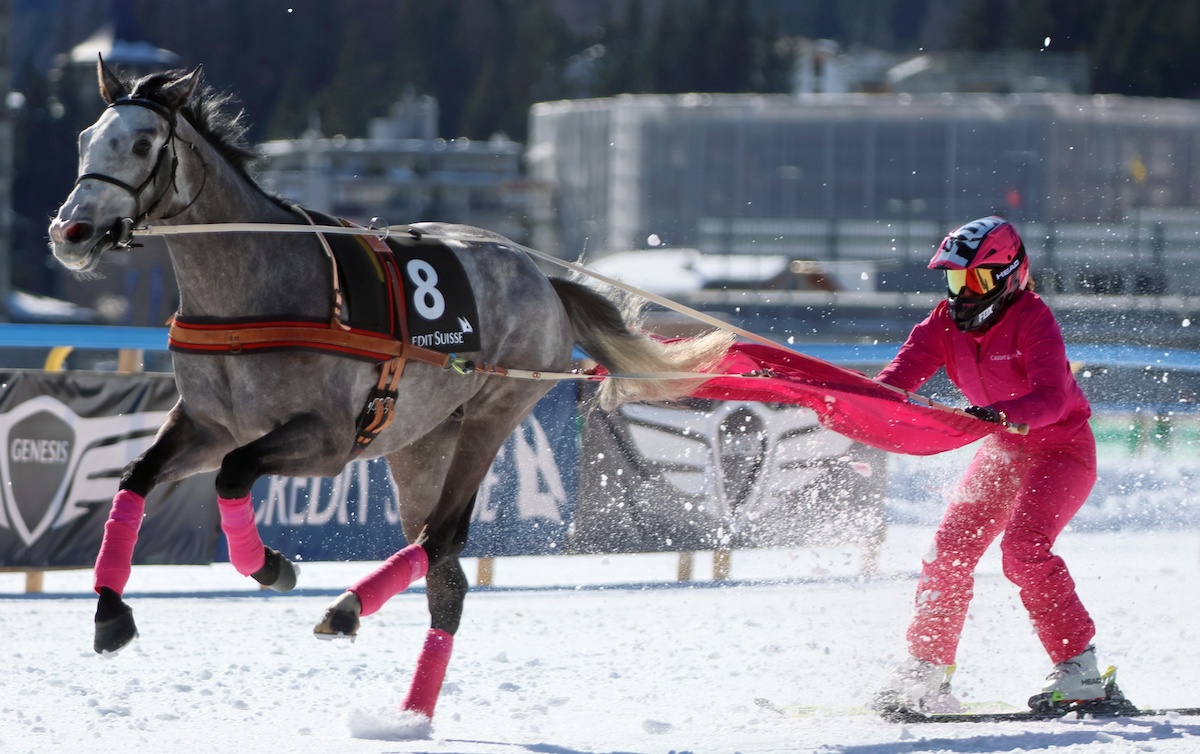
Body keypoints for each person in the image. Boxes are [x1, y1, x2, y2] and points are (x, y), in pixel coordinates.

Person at [870, 215, 1110, 715]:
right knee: (948, 550)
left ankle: (1081, 672)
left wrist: (1004, 414)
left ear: (1009, 276)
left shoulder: (1033, 318)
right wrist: (844, 394)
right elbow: (897, 381)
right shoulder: (942, 322)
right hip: (1004, 449)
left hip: (1061, 450)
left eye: (976, 280)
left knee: (1022, 550)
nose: (963, 293)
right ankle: (928, 670)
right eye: (956, 280)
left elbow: (1053, 397)